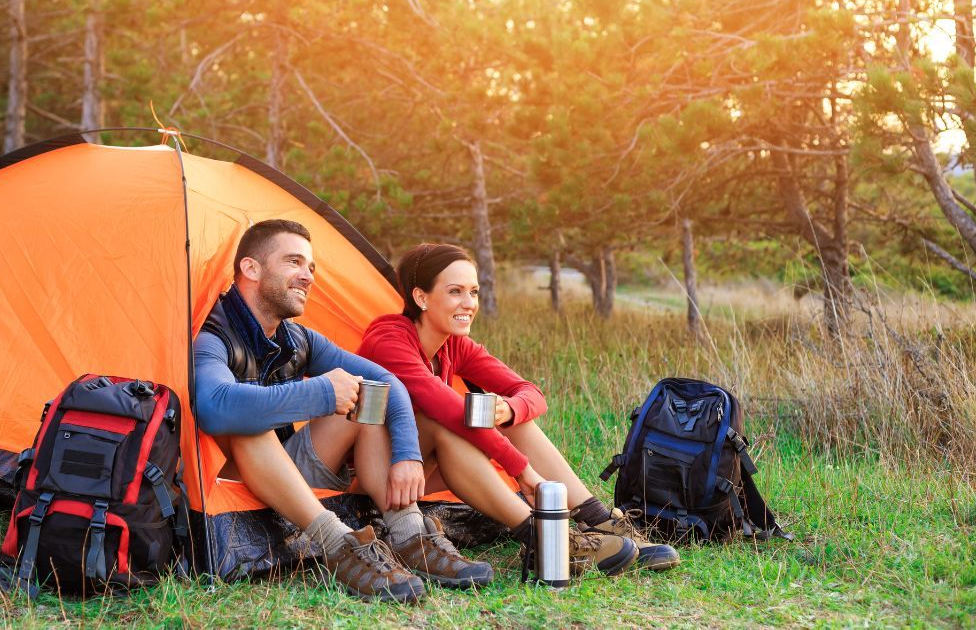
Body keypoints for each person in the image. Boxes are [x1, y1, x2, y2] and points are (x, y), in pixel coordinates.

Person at [191, 221, 493, 603]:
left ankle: (409, 534)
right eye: (294, 262)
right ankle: (338, 546)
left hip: (285, 473)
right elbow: (214, 407)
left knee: (368, 396)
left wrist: (406, 454)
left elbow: (387, 382)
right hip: (229, 485)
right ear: (251, 269)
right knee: (248, 423)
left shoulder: (296, 338)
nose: (307, 276)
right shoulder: (212, 336)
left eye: (311, 267)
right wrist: (317, 392)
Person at [357, 243, 681, 576]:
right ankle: (548, 538)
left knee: (511, 419)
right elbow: (447, 409)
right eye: (455, 291)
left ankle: (598, 520)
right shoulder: (389, 339)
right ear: (421, 298)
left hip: (417, 468)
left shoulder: (453, 344)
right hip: (373, 471)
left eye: (474, 291)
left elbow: (531, 393)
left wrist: (509, 409)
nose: (469, 303)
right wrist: (522, 470)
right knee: (448, 423)